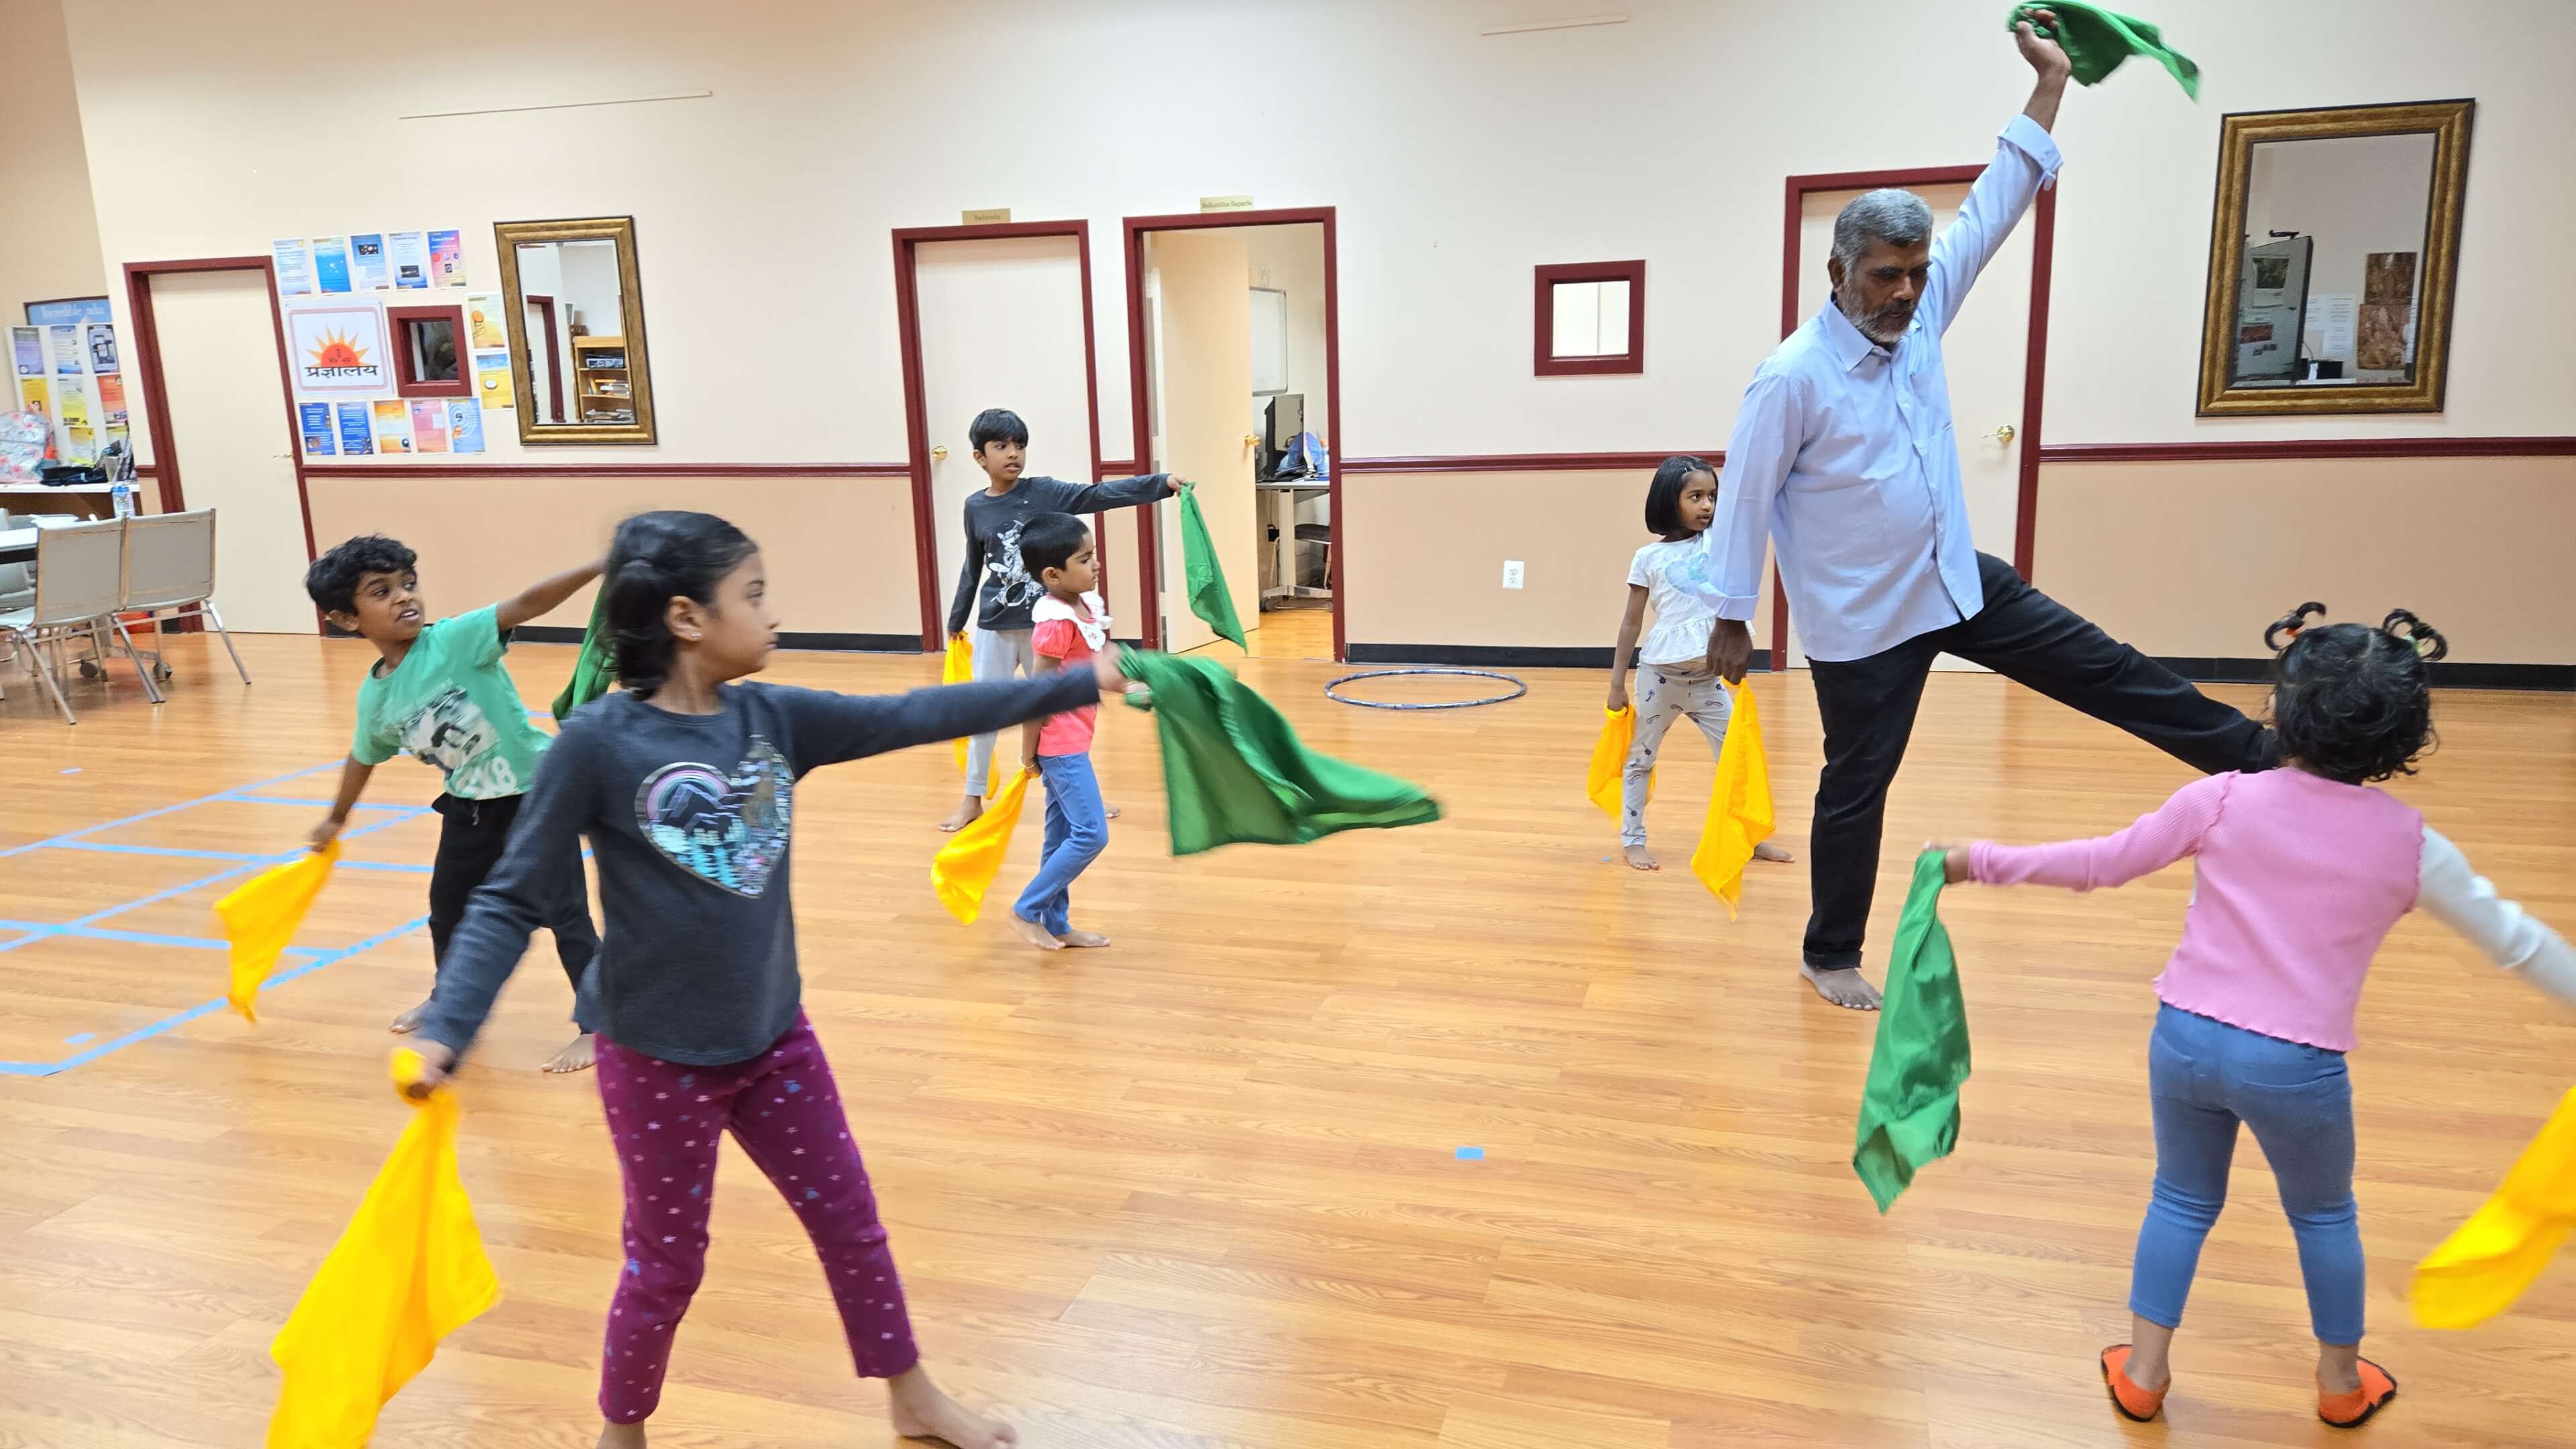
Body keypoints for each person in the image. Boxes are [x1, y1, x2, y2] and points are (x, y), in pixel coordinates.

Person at [402, 510, 1108, 1449]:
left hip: (776, 1040)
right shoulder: (598, 744)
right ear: (688, 618)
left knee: (850, 1222)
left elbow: (912, 714)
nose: (773, 614)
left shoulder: (772, 719)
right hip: (656, 1059)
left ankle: (910, 1396)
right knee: (666, 1266)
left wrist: (1073, 683)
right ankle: (621, 1433)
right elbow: (509, 897)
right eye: (756, 595)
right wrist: (448, 1026)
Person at [1682, 10, 2273, 1010]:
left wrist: (2050, 84)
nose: (1907, 292)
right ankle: (1830, 954)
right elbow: (1742, 496)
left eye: (1916, 274)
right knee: (1855, 789)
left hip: (1956, 581)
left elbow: (1999, 201)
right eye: (1886, 275)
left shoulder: (1918, 319)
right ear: (1839, 274)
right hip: (1864, 626)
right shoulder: (1791, 377)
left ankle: (2270, 761)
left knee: (2108, 670)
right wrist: (1731, 615)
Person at [1934, 609, 2576, 1430]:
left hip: (2185, 1039)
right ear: (2404, 735)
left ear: (2281, 706)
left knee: (2179, 1199)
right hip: (2296, 1068)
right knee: (2324, 1215)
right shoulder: (2414, 845)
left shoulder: (2221, 798)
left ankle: (2144, 1374)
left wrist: (1977, 860)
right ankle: (2340, 1384)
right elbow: (2518, 942)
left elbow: (2100, 863)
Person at [303, 534, 604, 1073]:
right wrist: (335, 818)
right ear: (346, 619)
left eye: (408, 584)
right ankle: (449, 1007)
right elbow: (363, 756)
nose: (404, 597)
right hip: (470, 810)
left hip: (535, 799)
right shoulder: (378, 695)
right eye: (381, 592)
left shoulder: (456, 639)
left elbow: (528, 602)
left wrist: (601, 563)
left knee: (568, 918)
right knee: (448, 913)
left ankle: (598, 1026)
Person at [939, 407, 1182, 833]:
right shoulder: (975, 507)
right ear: (980, 457)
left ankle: (1081, 792)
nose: (1013, 454)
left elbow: (1097, 495)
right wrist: (958, 616)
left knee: (1064, 710)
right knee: (985, 712)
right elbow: (972, 565)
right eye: (1001, 446)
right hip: (994, 626)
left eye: (1019, 446)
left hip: (1046, 628)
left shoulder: (1045, 493)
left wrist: (1160, 485)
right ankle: (972, 798)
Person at [1607, 455, 1796, 873]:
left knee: (1736, 758)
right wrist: (1617, 684)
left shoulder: (1717, 542)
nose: (1707, 505)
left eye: (1712, 496)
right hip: (1661, 678)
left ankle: (1749, 836)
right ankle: (1633, 840)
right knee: (1640, 759)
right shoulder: (1647, 558)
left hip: (1708, 682)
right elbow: (1631, 624)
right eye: (1695, 497)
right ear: (1668, 500)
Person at [1007, 514, 1142, 951]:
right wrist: (1028, 753)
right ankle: (1025, 910)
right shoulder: (1056, 622)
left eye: (1094, 554)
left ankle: (1056, 922)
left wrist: (1131, 686)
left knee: (1060, 837)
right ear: (1053, 575)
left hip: (1075, 739)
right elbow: (1038, 693)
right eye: (1084, 559)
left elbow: (1097, 668)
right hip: (1059, 745)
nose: (1096, 564)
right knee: (1091, 833)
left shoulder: (1085, 608)